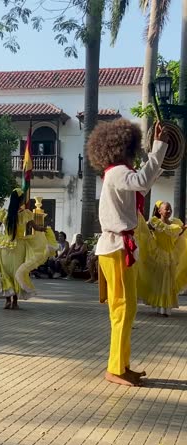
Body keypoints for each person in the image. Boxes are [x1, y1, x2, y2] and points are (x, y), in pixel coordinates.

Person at [87, 118, 169, 387]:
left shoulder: (116, 173)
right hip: (116, 247)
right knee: (123, 309)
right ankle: (115, 368)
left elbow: (144, 181)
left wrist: (156, 150)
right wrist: (159, 147)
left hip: (119, 247)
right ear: (122, 146)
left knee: (125, 309)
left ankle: (122, 365)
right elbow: (144, 179)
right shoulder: (118, 172)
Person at [0, 188, 57, 310]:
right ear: (20, 200)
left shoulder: (4, 213)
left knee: (6, 272)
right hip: (19, 246)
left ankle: (7, 301)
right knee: (16, 272)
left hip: (4, 246)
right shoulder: (25, 213)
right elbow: (36, 227)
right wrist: (45, 230)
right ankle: (15, 302)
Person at [137, 200, 187, 317]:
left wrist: (184, 229)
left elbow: (179, 232)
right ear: (159, 211)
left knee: (169, 281)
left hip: (171, 255)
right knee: (163, 280)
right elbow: (144, 228)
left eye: (170, 209)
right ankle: (161, 307)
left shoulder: (175, 222)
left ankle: (166, 308)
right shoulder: (155, 222)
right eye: (166, 209)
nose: (169, 211)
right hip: (158, 254)